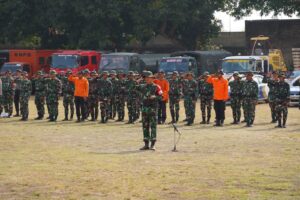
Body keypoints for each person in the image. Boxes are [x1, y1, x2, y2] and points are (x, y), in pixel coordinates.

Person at [138, 71, 162, 150]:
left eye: (149, 78)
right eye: (146, 78)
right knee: (145, 127)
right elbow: (131, 88)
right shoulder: (142, 86)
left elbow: (161, 97)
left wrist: (155, 97)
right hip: (144, 109)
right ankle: (146, 144)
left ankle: (152, 144)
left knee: (153, 126)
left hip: (153, 109)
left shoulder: (156, 87)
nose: (147, 79)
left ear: (152, 79)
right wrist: (138, 80)